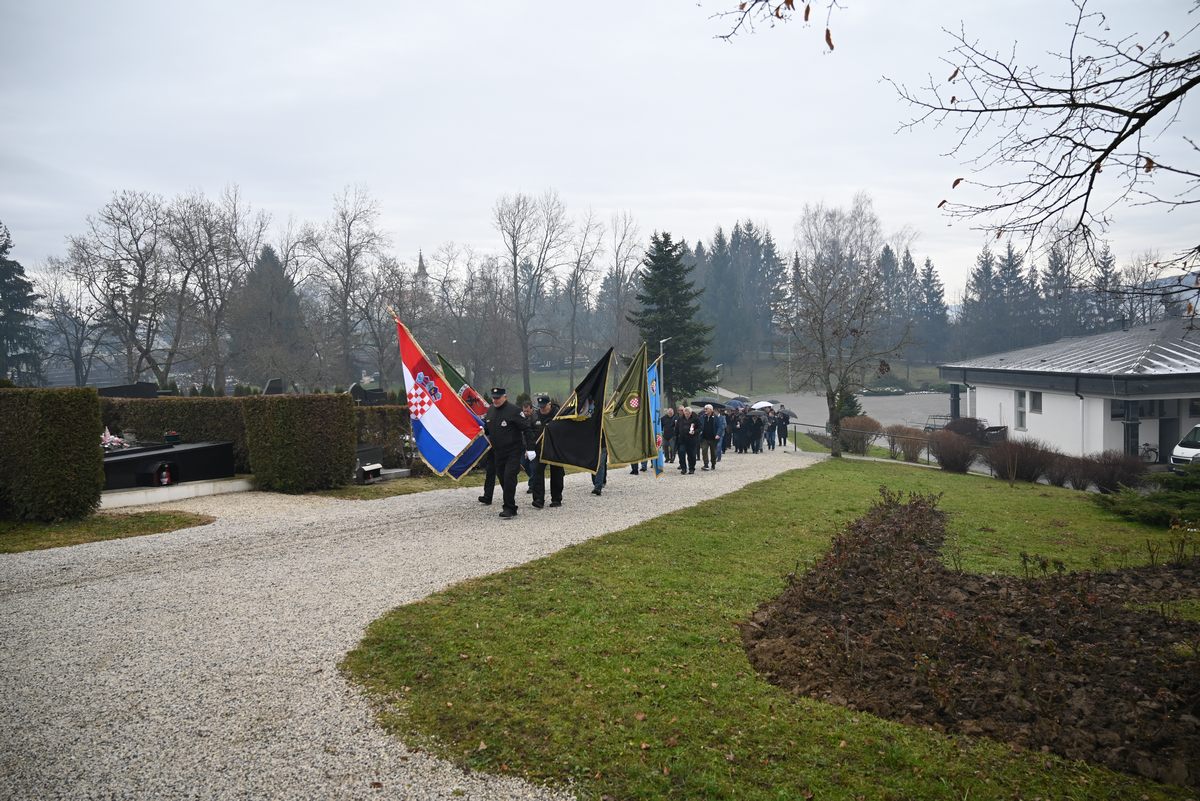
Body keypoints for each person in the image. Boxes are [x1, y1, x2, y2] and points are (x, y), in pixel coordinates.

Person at [480, 387, 532, 519]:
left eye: (498, 398)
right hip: (498, 452)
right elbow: (488, 429)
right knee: (503, 478)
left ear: (505, 397)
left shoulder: (514, 411)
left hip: (513, 451)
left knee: (509, 477)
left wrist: (530, 448)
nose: (495, 400)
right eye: (493, 398)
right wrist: (481, 429)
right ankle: (511, 504)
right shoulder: (490, 411)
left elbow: (527, 429)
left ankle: (508, 507)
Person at [529, 394, 564, 508]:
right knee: (536, 473)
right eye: (540, 406)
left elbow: (565, 431)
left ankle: (556, 499)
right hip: (539, 449)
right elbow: (529, 432)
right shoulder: (535, 416)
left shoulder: (558, 414)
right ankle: (538, 499)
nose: (542, 409)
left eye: (544, 406)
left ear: (549, 404)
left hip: (555, 449)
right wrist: (529, 447)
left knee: (557, 474)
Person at [675, 405, 699, 474]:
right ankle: (683, 468)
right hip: (682, 440)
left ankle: (691, 468)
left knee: (692, 455)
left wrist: (695, 432)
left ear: (690, 413)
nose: (686, 415)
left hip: (692, 440)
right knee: (681, 454)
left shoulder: (695, 419)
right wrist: (676, 436)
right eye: (685, 413)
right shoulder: (680, 419)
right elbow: (677, 428)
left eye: (688, 413)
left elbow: (700, 427)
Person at [699, 404, 721, 470]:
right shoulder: (702, 417)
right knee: (704, 450)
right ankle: (706, 464)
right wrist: (699, 431)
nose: (705, 410)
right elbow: (699, 425)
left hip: (713, 438)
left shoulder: (715, 417)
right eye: (705, 409)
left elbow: (720, 427)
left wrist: (718, 434)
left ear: (711, 410)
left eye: (707, 409)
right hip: (704, 438)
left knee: (713, 452)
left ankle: (713, 463)